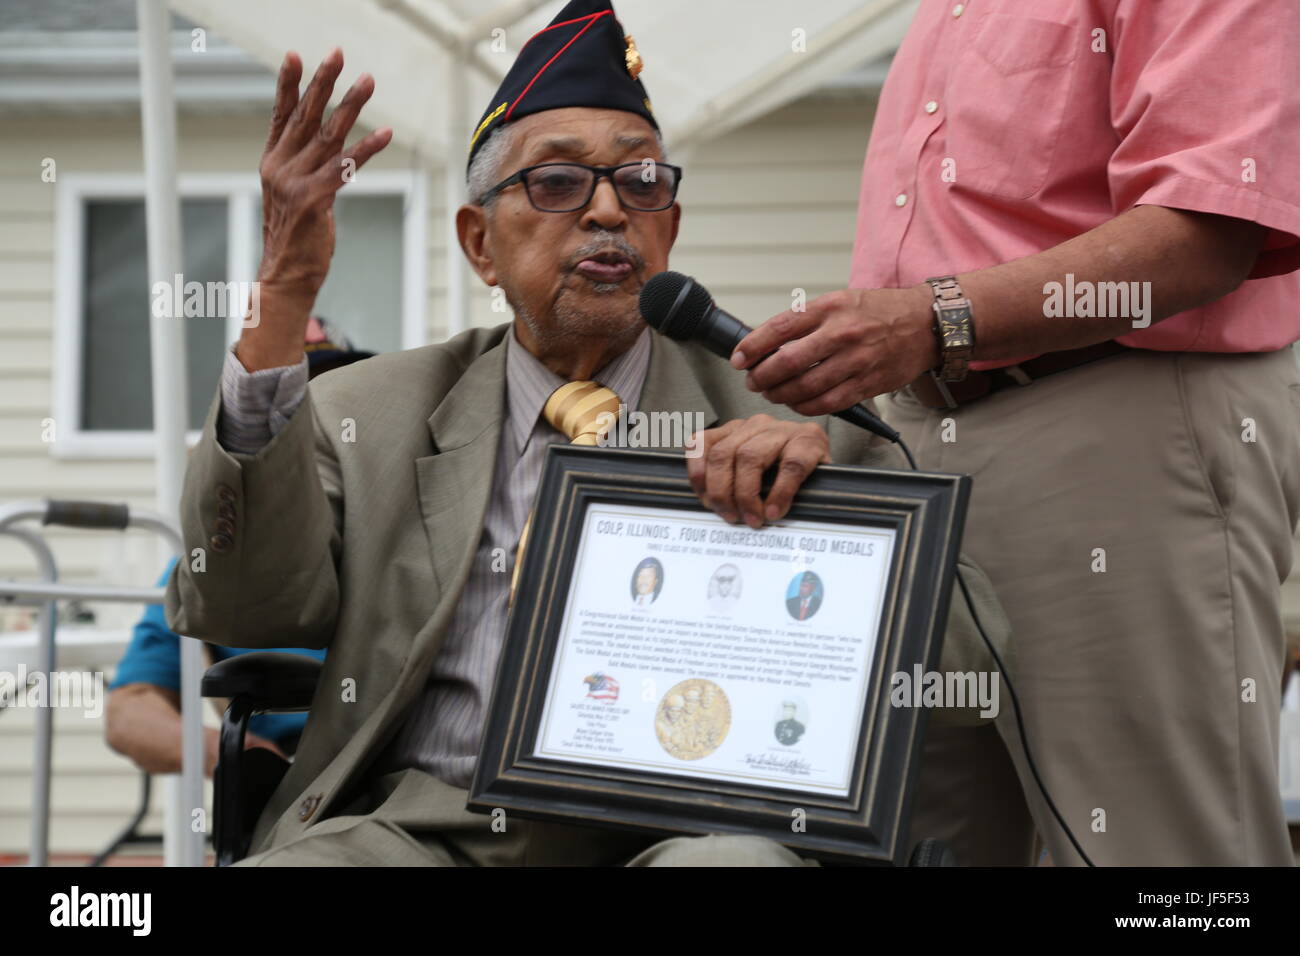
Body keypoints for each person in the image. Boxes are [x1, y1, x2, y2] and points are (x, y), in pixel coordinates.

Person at [166, 0, 1005, 866]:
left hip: (687, 829)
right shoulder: (369, 411)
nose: (609, 210)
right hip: (421, 828)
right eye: (557, 182)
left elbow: (968, 676)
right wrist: (284, 293)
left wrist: (831, 518)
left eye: (642, 182)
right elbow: (239, 604)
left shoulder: (795, 413)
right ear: (479, 244)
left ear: (669, 228)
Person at [732, 0, 1300, 865]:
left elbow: (1209, 227)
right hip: (925, 439)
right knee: (925, 842)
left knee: (1163, 864)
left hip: (1117, 424)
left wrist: (932, 322)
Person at [104, 321, 367, 776]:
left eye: (338, 399)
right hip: (303, 792)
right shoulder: (206, 568)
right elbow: (129, 711)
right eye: (294, 409)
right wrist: (239, 755)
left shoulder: (412, 528)